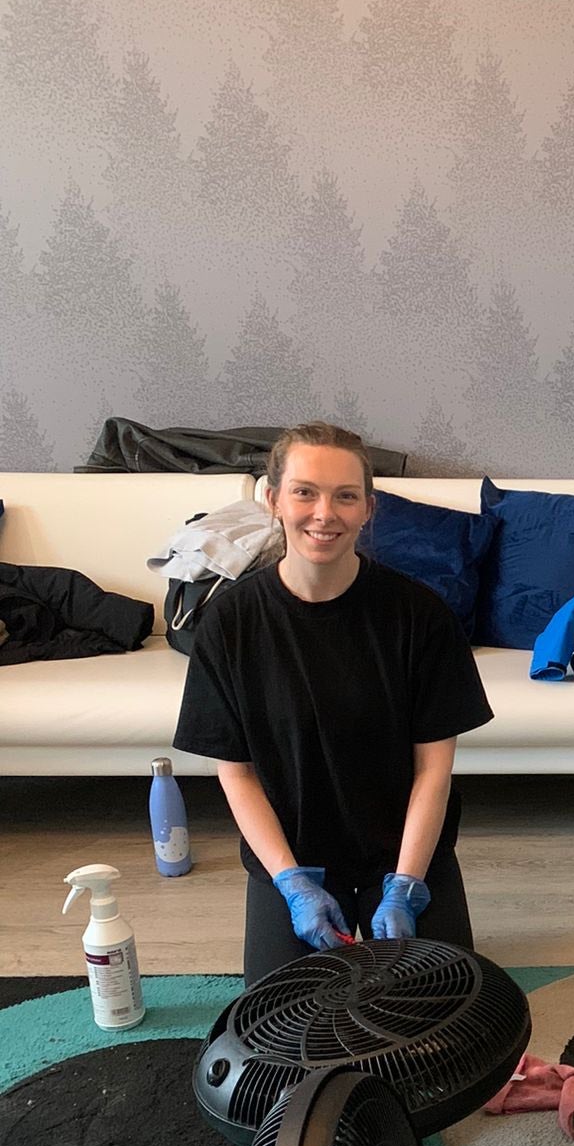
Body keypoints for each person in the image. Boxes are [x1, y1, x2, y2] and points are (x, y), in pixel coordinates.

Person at [174, 421, 493, 986]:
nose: (325, 513)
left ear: (368, 508)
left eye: (345, 496)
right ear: (272, 499)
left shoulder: (420, 615)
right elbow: (237, 775)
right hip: (293, 858)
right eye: (305, 492)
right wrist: (291, 882)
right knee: (278, 1031)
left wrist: (406, 884)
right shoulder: (229, 623)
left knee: (444, 1016)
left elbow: (434, 771)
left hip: (402, 854)